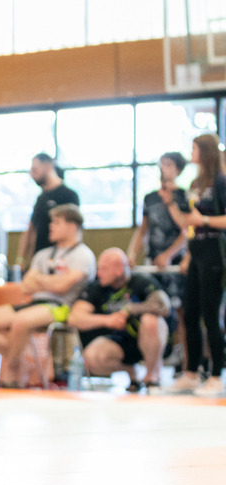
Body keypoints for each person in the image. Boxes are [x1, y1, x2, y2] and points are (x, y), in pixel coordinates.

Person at [0, 204, 96, 386]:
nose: (51, 226)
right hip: (34, 303)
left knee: (20, 321)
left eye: (57, 222)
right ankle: (20, 362)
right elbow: (26, 287)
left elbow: (63, 286)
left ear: (72, 226)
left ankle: (13, 370)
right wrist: (49, 282)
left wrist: (39, 280)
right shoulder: (43, 255)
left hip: (62, 307)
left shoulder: (83, 255)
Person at [164, 134, 226, 396]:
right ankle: (191, 372)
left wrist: (205, 221)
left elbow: (213, 220)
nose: (191, 152)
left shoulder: (221, 182)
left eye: (194, 148)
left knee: (211, 315)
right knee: (190, 314)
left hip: (216, 250)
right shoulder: (195, 183)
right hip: (197, 251)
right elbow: (188, 223)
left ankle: (215, 375)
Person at [68, 249, 172, 393]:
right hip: (120, 343)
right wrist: (107, 320)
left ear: (119, 269)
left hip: (147, 340)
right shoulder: (98, 287)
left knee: (150, 320)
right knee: (91, 357)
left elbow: (163, 306)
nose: (99, 273)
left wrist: (130, 309)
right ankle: (132, 373)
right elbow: (74, 318)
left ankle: (152, 377)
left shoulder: (141, 281)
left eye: (103, 269)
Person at [17, 153, 79, 268]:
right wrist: (21, 259)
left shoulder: (69, 195)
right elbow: (31, 229)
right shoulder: (41, 198)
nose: (32, 174)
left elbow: (76, 230)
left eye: (35, 170)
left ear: (48, 166)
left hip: (61, 261)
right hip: (40, 259)